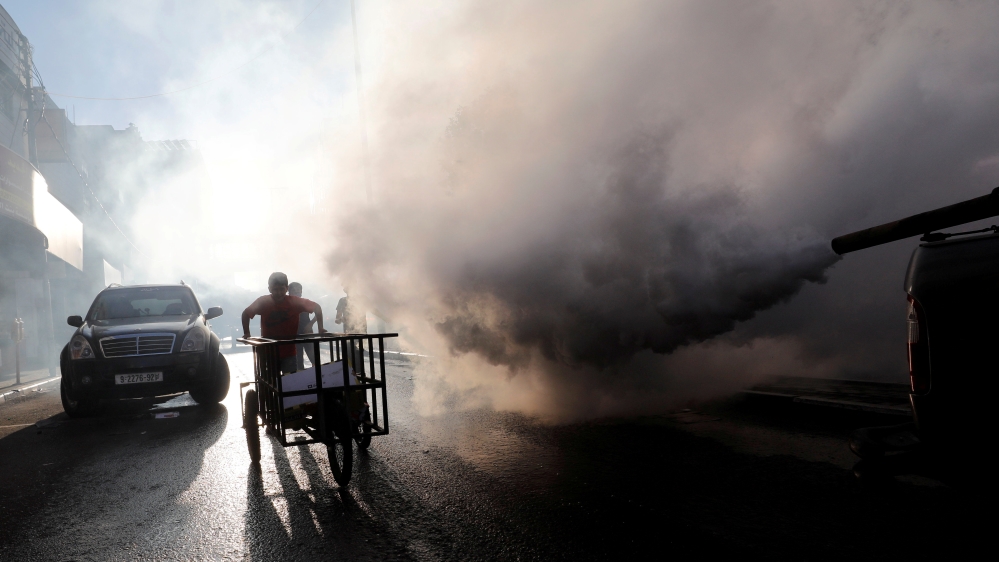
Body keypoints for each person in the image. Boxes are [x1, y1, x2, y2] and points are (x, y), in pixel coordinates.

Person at [242, 272, 325, 374]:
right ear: (269, 289)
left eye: (281, 289)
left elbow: (317, 308)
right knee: (271, 383)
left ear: (286, 288)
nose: (279, 293)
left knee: (290, 384)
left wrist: (320, 328)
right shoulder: (263, 302)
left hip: (289, 353)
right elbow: (246, 314)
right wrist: (247, 333)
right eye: (275, 290)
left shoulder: (294, 302)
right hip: (269, 353)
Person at [288, 282, 317, 370]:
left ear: (301, 291)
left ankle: (317, 377)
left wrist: (310, 324)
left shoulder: (305, 302)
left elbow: (318, 313)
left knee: (314, 358)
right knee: (298, 360)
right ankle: (301, 380)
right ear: (289, 292)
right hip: (294, 335)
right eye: (294, 290)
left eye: (298, 290)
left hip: (307, 333)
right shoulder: (287, 304)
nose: (297, 292)